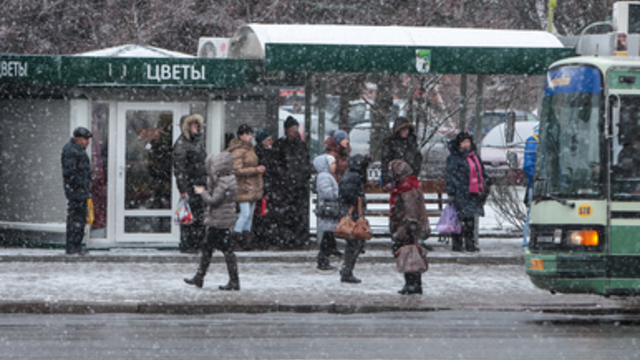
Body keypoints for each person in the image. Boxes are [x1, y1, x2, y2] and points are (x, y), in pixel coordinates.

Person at [184, 152, 239, 290]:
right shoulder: (229, 179)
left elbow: (214, 201)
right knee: (213, 248)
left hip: (219, 220)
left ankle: (232, 280)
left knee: (219, 249)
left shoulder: (222, 182)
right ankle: (200, 277)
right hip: (222, 219)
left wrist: (202, 192)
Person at [445, 132, 492, 252]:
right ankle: (457, 244)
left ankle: (470, 244)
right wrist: (451, 191)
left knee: (470, 219)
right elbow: (450, 175)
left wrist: (487, 180)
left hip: (472, 193)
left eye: (468, 142)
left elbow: (481, 171)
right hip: (460, 192)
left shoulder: (474, 157)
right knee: (458, 220)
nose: (466, 145)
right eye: (464, 142)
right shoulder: (454, 158)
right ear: (459, 144)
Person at [389, 159, 430, 295]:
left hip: (408, 226)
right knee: (412, 254)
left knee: (408, 254)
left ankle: (412, 285)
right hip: (411, 225)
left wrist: (406, 227)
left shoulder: (406, 187)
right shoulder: (410, 184)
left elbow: (410, 209)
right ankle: (413, 284)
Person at [272, 116, 312, 248]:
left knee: (300, 214)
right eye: (292, 129)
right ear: (286, 130)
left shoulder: (302, 145)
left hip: (300, 186)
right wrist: (285, 178)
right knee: (286, 214)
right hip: (286, 187)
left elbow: (306, 163)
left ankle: (299, 239)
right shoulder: (280, 145)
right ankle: (287, 239)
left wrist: (304, 175)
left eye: (296, 128)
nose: (295, 131)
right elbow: (277, 165)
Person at [226, 124, 265, 251]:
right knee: (245, 214)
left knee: (249, 215)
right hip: (243, 186)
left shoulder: (249, 149)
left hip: (251, 186)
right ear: (240, 135)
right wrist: (255, 170)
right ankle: (235, 238)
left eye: (251, 134)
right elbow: (236, 169)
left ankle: (244, 240)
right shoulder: (238, 151)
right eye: (247, 134)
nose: (250, 137)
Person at [173, 114, 208, 253]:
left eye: (197, 125)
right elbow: (179, 168)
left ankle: (198, 243)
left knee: (199, 215)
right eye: (193, 125)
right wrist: (183, 188)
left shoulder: (197, 142)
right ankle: (189, 245)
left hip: (199, 184)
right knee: (189, 217)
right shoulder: (182, 144)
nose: (196, 128)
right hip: (190, 185)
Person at [338, 154, 370, 283]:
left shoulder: (351, 175)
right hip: (353, 214)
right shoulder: (354, 176)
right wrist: (360, 201)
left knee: (353, 244)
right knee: (354, 244)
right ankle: (347, 271)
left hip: (351, 213)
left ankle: (346, 270)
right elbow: (349, 194)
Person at [61, 126, 93, 255]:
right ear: (78, 139)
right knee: (76, 220)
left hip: (78, 191)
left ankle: (75, 246)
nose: (88, 142)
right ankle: (73, 246)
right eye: (85, 139)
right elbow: (71, 173)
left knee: (78, 219)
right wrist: (81, 184)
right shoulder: (72, 151)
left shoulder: (76, 150)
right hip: (76, 191)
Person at [314, 154, 342, 272]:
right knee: (327, 235)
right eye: (332, 164)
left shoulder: (327, 176)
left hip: (329, 209)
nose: (335, 166)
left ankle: (328, 253)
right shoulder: (325, 176)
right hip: (328, 209)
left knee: (329, 234)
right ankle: (323, 259)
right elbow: (327, 193)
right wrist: (338, 194)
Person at [253, 128, 279, 249]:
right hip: (264, 187)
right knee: (261, 215)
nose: (271, 142)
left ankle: (264, 239)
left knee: (265, 215)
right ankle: (261, 239)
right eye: (268, 140)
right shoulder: (260, 154)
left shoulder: (270, 152)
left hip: (269, 186)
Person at [381, 117, 423, 191]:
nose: (405, 131)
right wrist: (387, 180)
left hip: (409, 179)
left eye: (407, 129)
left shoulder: (412, 142)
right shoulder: (390, 143)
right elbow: (385, 162)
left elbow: (418, 159)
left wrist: (414, 175)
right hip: (395, 179)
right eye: (403, 129)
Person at [522, 124, 539, 251]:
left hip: (537, 183)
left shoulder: (533, 142)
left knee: (531, 214)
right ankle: (526, 244)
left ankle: (527, 243)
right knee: (532, 215)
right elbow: (528, 166)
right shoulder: (533, 143)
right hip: (537, 185)